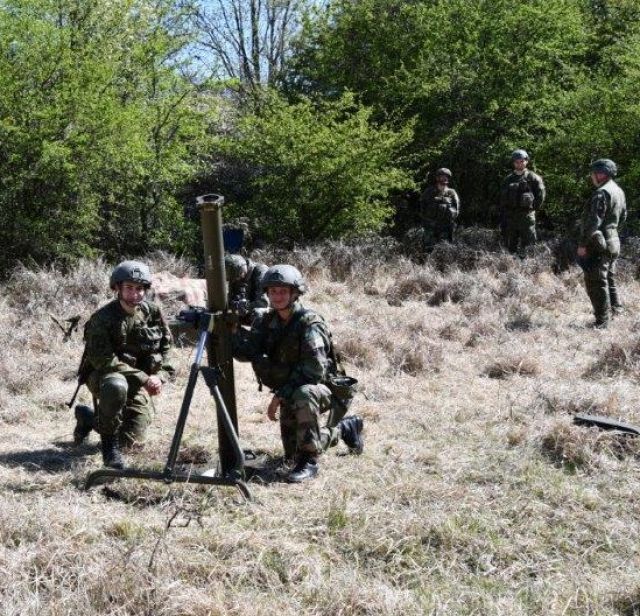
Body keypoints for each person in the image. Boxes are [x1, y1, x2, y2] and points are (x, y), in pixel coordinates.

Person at [233, 264, 363, 483]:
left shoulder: (309, 323)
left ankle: (309, 462)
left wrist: (280, 395)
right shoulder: (266, 321)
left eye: (283, 291)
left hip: (322, 388)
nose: (277, 296)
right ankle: (344, 429)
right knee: (292, 454)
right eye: (273, 291)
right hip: (292, 389)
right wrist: (231, 331)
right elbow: (248, 352)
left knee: (305, 396)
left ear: (295, 293)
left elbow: (315, 371)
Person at [73, 260, 175, 468]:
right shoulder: (102, 319)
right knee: (116, 385)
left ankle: (88, 418)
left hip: (137, 381)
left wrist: (160, 376)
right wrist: (144, 378)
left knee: (131, 443)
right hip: (103, 377)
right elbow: (104, 361)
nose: (135, 294)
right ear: (117, 288)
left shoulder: (152, 312)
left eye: (140, 289)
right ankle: (109, 450)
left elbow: (167, 347)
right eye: (129, 288)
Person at [577, 159, 627, 328]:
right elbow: (623, 217)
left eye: (593, 173)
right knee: (609, 278)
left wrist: (583, 244)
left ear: (601, 174)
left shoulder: (601, 193)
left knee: (596, 282)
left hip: (600, 244)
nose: (592, 176)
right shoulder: (618, 190)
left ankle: (602, 321)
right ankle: (617, 310)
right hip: (613, 241)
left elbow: (593, 222)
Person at [499, 149, 546, 255]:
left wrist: (532, 209)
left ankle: (528, 264)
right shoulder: (508, 179)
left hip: (526, 217)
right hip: (511, 217)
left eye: (521, 161)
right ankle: (511, 263)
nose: (519, 163)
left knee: (529, 246)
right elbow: (502, 198)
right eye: (517, 161)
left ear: (526, 161)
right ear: (513, 163)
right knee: (510, 245)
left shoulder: (533, 178)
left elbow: (540, 196)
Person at [419, 168, 461, 248]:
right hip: (430, 227)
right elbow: (422, 207)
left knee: (444, 249)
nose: (444, 178)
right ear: (437, 178)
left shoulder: (452, 193)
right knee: (428, 249)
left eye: (446, 177)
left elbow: (456, 210)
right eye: (442, 176)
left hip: (445, 228)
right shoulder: (429, 192)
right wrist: (428, 222)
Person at [224, 254, 269, 322]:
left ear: (242, 269)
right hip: (245, 312)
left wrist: (245, 305)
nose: (237, 280)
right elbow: (231, 299)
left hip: (264, 311)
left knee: (258, 313)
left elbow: (263, 303)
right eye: (234, 278)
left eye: (238, 276)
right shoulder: (235, 276)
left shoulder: (260, 271)